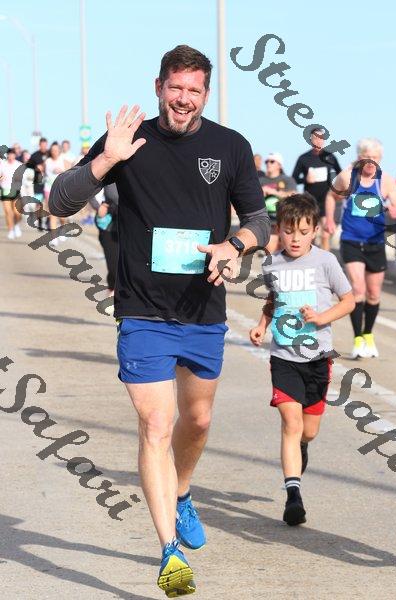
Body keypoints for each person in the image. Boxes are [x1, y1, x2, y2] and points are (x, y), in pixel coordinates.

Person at [49, 44, 270, 597]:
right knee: (155, 425)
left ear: (205, 94)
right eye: (176, 87)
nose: (184, 99)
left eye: (194, 90)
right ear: (159, 87)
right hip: (142, 310)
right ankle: (170, 550)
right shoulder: (129, 140)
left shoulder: (230, 146)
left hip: (203, 309)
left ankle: (184, 491)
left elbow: (259, 220)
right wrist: (106, 160)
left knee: (197, 421)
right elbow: (58, 202)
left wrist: (235, 245)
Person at [250, 194, 354, 526]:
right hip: (284, 356)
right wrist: (262, 325)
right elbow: (273, 300)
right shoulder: (272, 264)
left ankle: (302, 448)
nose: (295, 239)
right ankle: (293, 495)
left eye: (303, 232)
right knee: (291, 424)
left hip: (317, 358)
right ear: (278, 229)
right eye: (289, 231)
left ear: (315, 231)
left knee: (308, 431)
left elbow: (349, 300)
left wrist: (322, 317)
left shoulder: (326, 262)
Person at [325, 138, 396, 359]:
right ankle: (358, 338)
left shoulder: (385, 181)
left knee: (374, 294)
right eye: (367, 158)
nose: (371, 162)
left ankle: (368, 334)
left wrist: (394, 210)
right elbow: (331, 195)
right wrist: (329, 219)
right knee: (358, 289)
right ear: (359, 157)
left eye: (375, 158)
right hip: (351, 241)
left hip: (375, 243)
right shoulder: (348, 177)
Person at [292, 128, 341, 250]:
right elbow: (294, 179)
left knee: (325, 234)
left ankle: (325, 258)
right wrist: (305, 179)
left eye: (321, 138)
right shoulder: (303, 158)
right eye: (315, 138)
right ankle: (310, 257)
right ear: (311, 140)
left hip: (326, 200)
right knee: (310, 234)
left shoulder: (330, 157)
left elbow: (341, 174)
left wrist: (335, 185)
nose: (318, 141)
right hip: (310, 201)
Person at [259, 152, 296, 253]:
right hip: (268, 220)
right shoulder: (260, 181)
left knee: (286, 251)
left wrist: (273, 192)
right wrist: (260, 194)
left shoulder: (287, 180)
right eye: (266, 162)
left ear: (279, 165)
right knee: (270, 250)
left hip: (285, 218)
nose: (268, 164)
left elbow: (293, 195)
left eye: (272, 161)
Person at [44, 142, 68, 246]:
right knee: (52, 212)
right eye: (52, 150)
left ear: (59, 151)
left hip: (61, 189)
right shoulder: (47, 161)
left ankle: (62, 228)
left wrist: (62, 171)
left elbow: (70, 173)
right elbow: (43, 173)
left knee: (61, 214)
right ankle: (53, 237)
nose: (54, 152)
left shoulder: (63, 160)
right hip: (49, 189)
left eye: (56, 150)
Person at [0, 148, 23, 239]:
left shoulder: (19, 165)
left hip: (15, 190)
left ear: (15, 155)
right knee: (8, 212)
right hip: (5, 190)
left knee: (17, 213)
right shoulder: (2, 164)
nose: (11, 156)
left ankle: (16, 225)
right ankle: (10, 230)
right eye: (9, 154)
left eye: (12, 154)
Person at [26, 137, 48, 230]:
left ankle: (48, 221)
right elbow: (28, 166)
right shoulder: (34, 155)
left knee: (48, 202)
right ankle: (40, 222)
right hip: (38, 182)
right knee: (39, 203)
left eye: (45, 145)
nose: (44, 147)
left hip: (49, 182)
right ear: (39, 145)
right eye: (42, 145)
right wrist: (36, 167)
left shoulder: (50, 154)